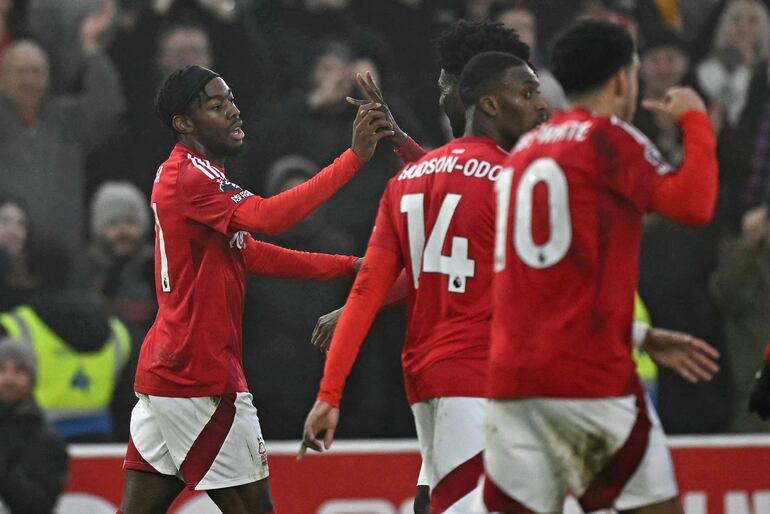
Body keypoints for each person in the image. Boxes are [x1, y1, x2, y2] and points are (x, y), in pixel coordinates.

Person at [119, 64, 392, 514]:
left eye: (231, 99)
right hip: (199, 378)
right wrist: (353, 160)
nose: (233, 110)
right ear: (184, 124)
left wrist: (350, 267)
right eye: (217, 104)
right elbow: (270, 218)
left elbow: (251, 252)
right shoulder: (193, 177)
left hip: (172, 369)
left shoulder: (191, 175)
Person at [299, 51, 548, 514]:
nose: (542, 105)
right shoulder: (518, 181)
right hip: (482, 372)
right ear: (489, 103)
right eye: (529, 93)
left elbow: (375, 282)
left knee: (429, 501)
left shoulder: (408, 181)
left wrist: (330, 393)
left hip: (429, 371)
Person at [486, 19, 718, 514]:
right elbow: (694, 205)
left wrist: (636, 336)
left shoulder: (524, 152)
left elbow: (542, 282)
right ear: (622, 80)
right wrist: (696, 121)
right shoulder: (611, 139)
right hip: (588, 384)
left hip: (513, 386)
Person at [0, 337, 69, 513]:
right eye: (2, 370)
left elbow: (39, 505)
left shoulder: (48, 441)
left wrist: (8, 470)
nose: (9, 379)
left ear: (32, 378)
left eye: (19, 370)